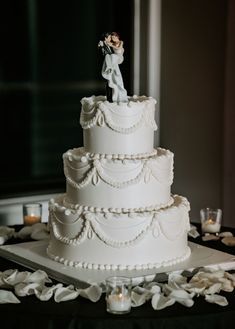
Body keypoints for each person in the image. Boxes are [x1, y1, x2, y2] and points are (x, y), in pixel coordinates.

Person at [98, 32, 128, 103]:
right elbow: (105, 43)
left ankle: (109, 68)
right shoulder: (112, 43)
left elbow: (119, 48)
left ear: (117, 37)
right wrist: (102, 43)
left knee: (112, 56)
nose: (112, 39)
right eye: (111, 38)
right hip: (114, 59)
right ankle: (110, 69)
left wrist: (111, 45)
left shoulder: (121, 42)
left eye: (113, 37)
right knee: (110, 57)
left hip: (119, 57)